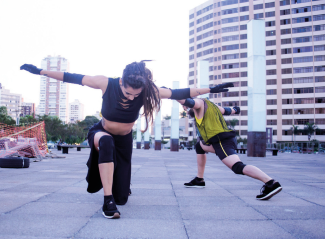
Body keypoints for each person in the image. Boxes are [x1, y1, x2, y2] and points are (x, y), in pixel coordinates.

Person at [20, 61, 233, 219]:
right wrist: (40, 71)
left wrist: (210, 89)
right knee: (106, 143)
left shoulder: (148, 91)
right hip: (101, 132)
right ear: (122, 82)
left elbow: (180, 91)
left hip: (124, 140)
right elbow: (72, 76)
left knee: (123, 195)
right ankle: (107, 201)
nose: (131, 98)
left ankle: (119, 191)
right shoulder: (106, 83)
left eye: (136, 95)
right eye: (128, 93)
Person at [178, 97, 282, 200]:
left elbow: (191, 102)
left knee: (237, 167)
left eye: (186, 107)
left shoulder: (199, 103)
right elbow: (225, 110)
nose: (185, 110)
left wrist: (173, 95)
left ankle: (271, 182)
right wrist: (235, 110)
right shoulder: (211, 106)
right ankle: (199, 179)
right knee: (199, 146)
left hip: (221, 141)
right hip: (218, 141)